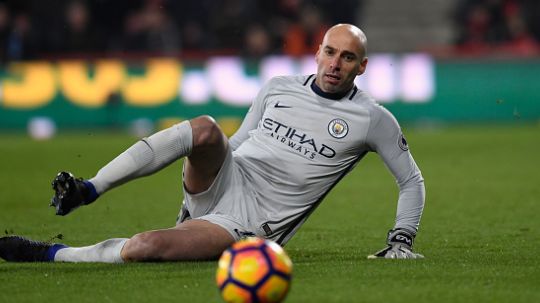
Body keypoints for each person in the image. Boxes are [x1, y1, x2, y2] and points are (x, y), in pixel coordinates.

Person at [0, 23, 425, 263]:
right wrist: (209, 171)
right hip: (227, 179)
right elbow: (237, 141)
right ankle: (88, 188)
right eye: (330, 52)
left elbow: (411, 181)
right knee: (205, 127)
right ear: (317, 52)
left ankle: (50, 253)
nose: (335, 64)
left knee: (146, 248)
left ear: (362, 66)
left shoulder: (372, 119)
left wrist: (401, 240)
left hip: (251, 224)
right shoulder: (279, 86)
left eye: (347, 57)